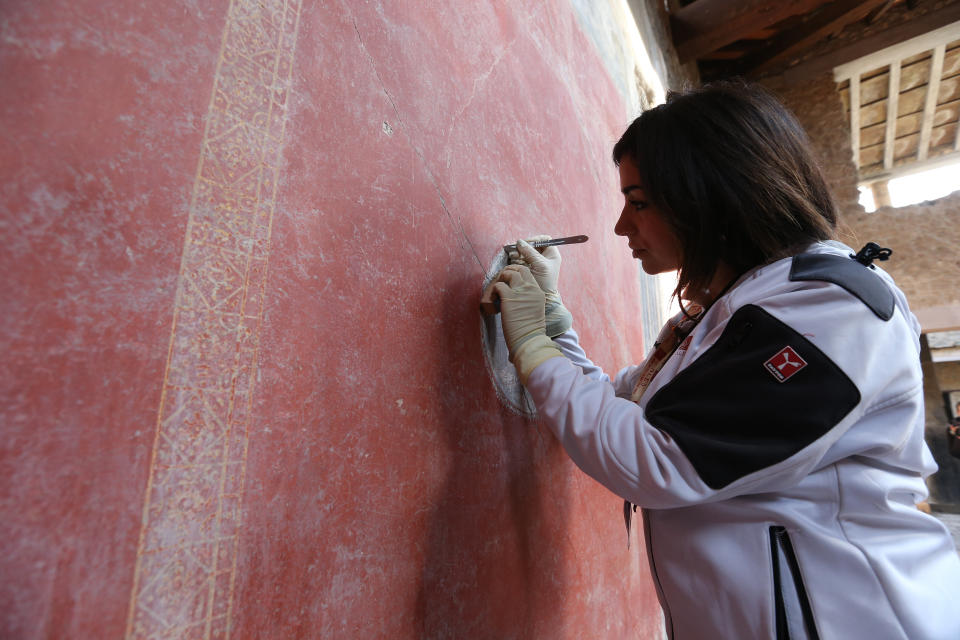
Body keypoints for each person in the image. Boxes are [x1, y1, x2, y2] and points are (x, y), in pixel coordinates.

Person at [490, 81, 960, 639]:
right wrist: (552, 325)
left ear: (709, 195)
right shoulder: (744, 303)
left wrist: (533, 344)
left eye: (638, 203)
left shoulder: (832, 309)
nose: (622, 226)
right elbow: (627, 401)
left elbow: (657, 459)